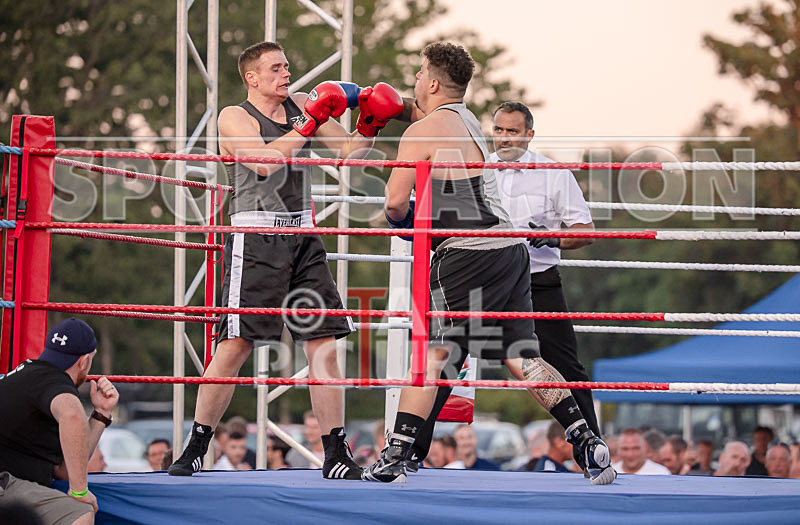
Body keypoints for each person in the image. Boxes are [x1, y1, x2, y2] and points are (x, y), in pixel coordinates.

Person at [362, 41, 614, 486]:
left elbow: (395, 203)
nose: (414, 82)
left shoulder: (420, 134)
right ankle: (585, 437)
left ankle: (395, 456)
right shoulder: (473, 124)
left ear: (434, 81)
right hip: (511, 249)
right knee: (523, 354)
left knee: (433, 353)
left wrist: (403, 218)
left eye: (419, 74)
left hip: (466, 252)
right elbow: (426, 122)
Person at [168, 40, 407, 481]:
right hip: (256, 235)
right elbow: (262, 164)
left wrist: (370, 120)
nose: (286, 73)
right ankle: (197, 445)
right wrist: (311, 121)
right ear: (251, 77)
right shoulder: (233, 116)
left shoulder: (301, 104)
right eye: (275, 68)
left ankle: (335, 453)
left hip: (303, 234)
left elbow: (349, 155)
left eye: (287, 65)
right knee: (236, 344)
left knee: (324, 345)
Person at [489, 101, 599, 438]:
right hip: (485, 280)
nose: (504, 139)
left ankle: (593, 447)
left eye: (513, 131)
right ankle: (409, 449)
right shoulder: (474, 167)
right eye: (499, 130)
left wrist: (551, 239)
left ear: (529, 135)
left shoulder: (553, 172)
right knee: (448, 356)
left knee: (566, 366)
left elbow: (585, 232)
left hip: (538, 282)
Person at [0, 318, 119, 525]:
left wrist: (100, 413)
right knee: (80, 513)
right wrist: (80, 491)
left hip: (10, 482)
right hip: (5, 483)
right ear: (84, 362)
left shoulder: (34, 375)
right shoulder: (54, 382)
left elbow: (65, 469)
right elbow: (72, 415)